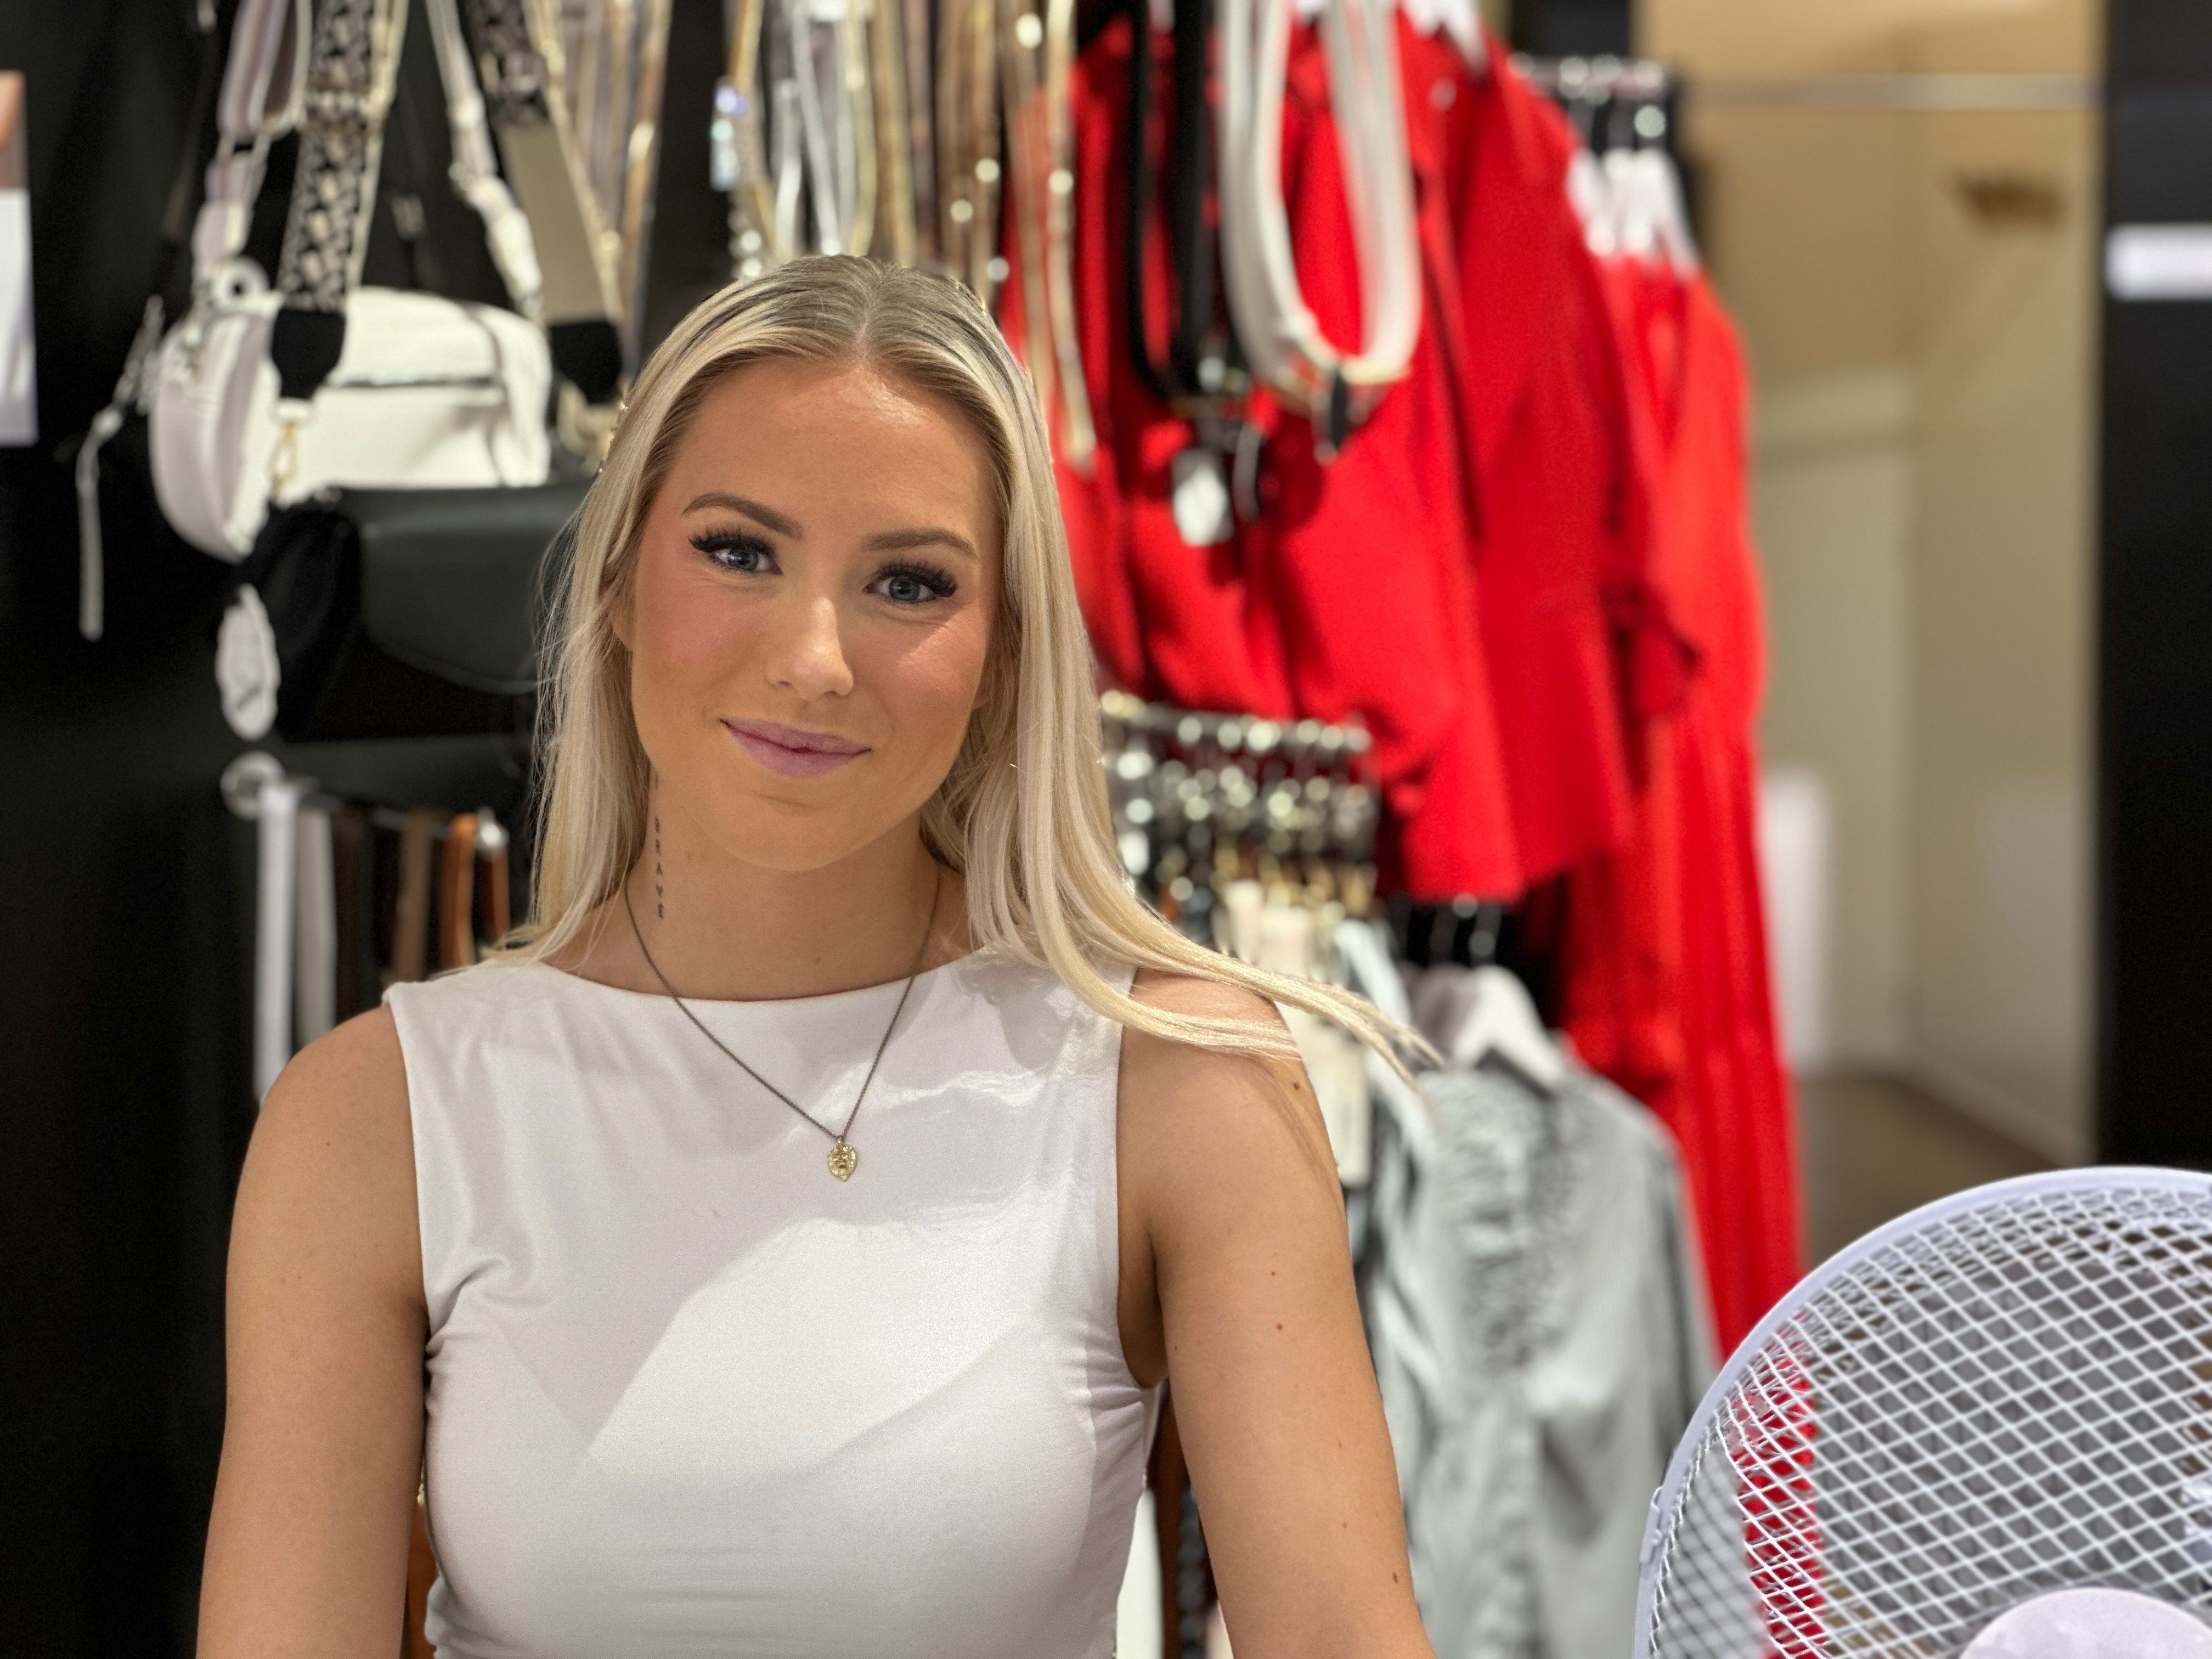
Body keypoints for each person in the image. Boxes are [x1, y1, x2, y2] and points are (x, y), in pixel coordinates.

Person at [196, 255, 1435, 1659]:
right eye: (739, 552)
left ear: (1003, 653)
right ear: (619, 582)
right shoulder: (379, 1119)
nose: (815, 658)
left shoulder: (1174, 1084)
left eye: (908, 582)